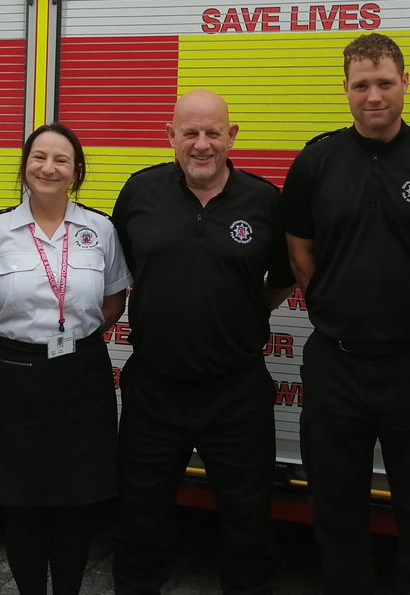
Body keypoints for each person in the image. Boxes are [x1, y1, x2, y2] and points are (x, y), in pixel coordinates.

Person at [282, 32, 410, 595]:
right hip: (335, 365)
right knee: (336, 511)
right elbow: (299, 251)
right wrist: (338, 304)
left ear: (405, 84)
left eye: (385, 83)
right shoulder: (316, 161)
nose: (374, 96)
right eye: (361, 84)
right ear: (345, 89)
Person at [111, 89, 295, 595]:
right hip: (154, 385)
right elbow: (120, 268)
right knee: (140, 518)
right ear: (169, 136)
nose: (201, 144)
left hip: (236, 389)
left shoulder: (263, 200)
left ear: (231, 136)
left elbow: (283, 277)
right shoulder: (139, 192)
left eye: (213, 132)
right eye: (189, 132)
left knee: (247, 522)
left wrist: (243, 310)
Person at [0, 123, 131, 595]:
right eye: (39, 157)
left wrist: (80, 334)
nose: (48, 168)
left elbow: (114, 299)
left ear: (76, 172)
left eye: (61, 160)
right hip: (14, 376)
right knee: (24, 502)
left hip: (81, 375)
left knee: (75, 502)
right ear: (25, 166)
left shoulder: (100, 230)